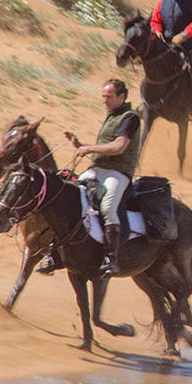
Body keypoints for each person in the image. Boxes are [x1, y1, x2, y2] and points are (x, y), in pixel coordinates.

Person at [64, 78, 141, 276]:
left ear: (121, 97)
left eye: (109, 96)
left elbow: (118, 147)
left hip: (117, 174)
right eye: (103, 96)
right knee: (67, 194)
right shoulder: (112, 116)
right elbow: (104, 150)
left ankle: (111, 259)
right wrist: (80, 144)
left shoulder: (130, 118)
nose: (105, 100)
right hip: (97, 170)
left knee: (108, 207)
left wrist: (89, 147)